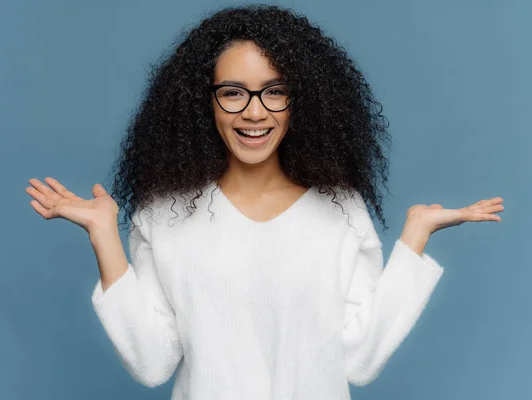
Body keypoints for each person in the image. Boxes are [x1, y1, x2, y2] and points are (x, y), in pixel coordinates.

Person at [25, 5, 504, 399]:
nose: (254, 111)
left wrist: (414, 236)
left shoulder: (340, 210)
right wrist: (105, 235)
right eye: (232, 93)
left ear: (303, 101)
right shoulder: (164, 214)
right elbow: (153, 364)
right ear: (203, 102)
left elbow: (359, 361)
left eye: (275, 92)